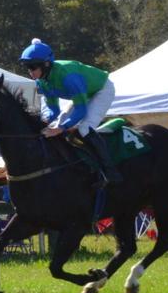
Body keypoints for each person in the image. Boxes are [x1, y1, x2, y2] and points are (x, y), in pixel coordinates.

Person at [20, 38, 122, 187]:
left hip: (102, 90)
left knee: (84, 128)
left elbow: (81, 110)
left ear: (46, 64)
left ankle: (110, 173)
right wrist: (50, 123)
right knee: (57, 123)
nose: (30, 72)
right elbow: (54, 110)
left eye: (33, 67)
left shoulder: (68, 77)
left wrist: (61, 128)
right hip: (84, 93)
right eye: (27, 67)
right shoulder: (42, 81)